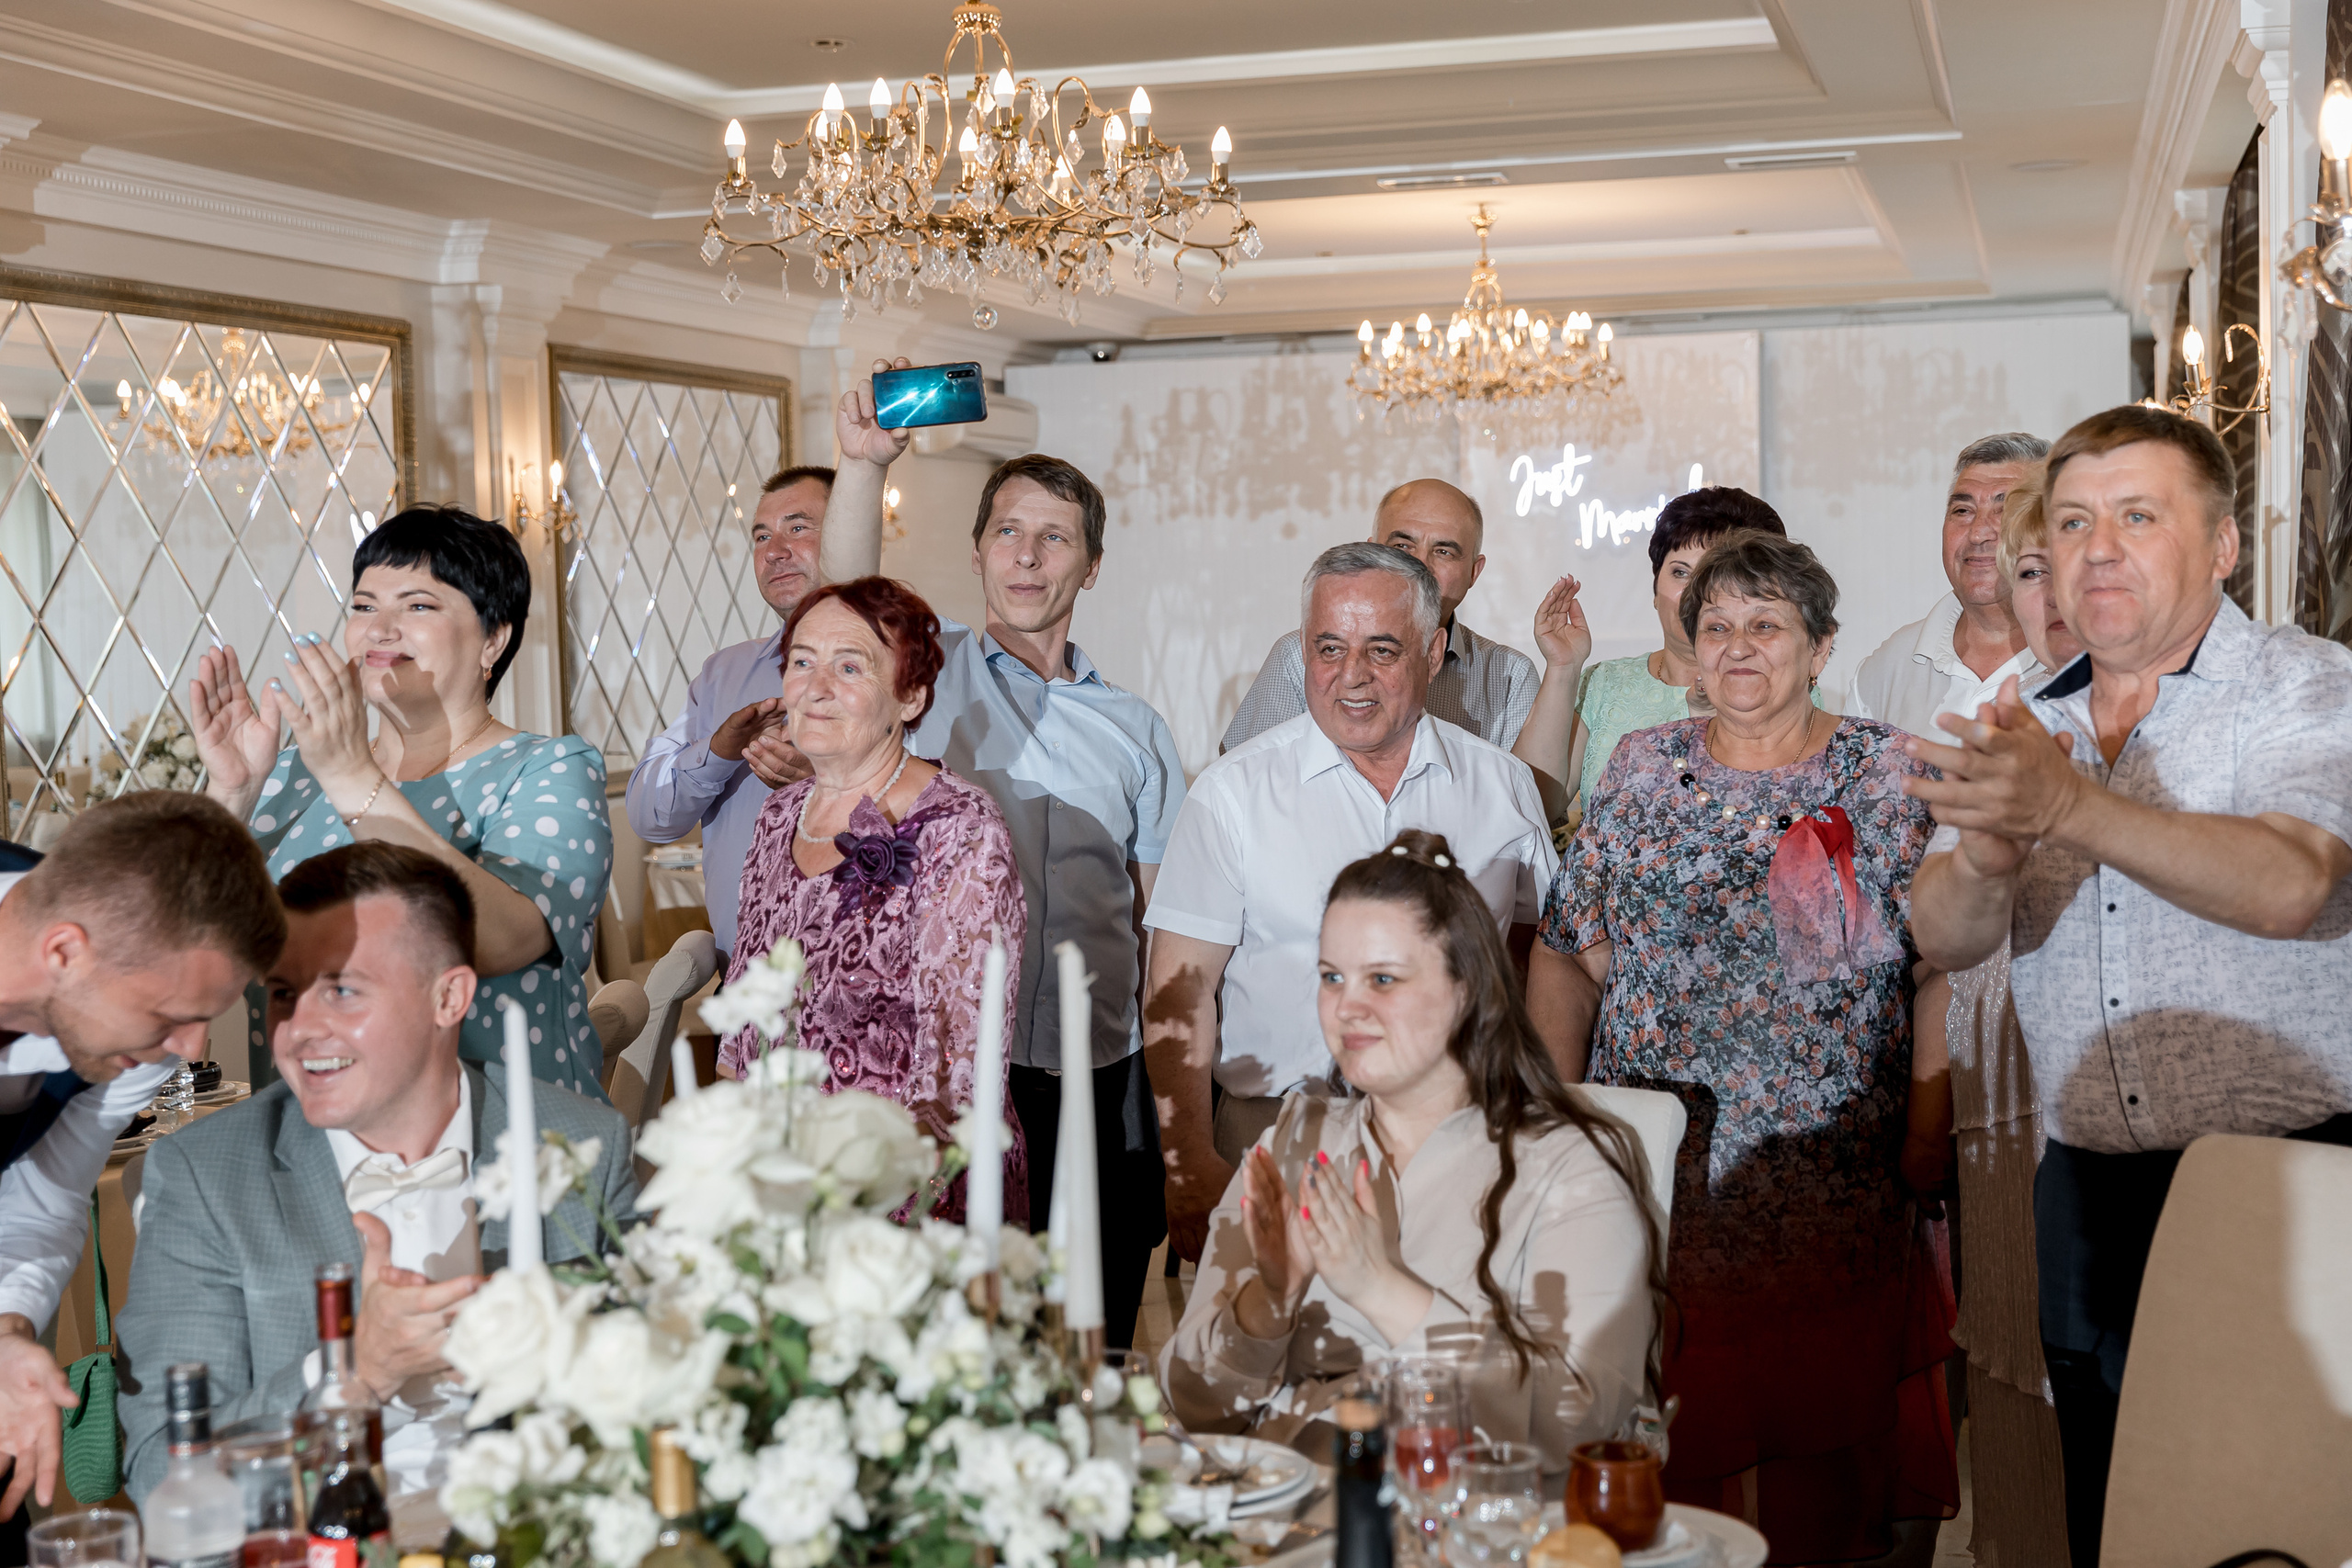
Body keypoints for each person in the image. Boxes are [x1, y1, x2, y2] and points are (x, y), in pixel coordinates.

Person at [1904, 405, 2352, 1568]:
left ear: (2220, 546)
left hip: (2287, 1185)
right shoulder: (2033, 722)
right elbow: (1942, 935)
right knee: (2117, 1521)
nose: (2096, 549)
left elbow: (2292, 884)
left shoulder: (2301, 687)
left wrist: (2067, 809)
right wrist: (1992, 856)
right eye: (2074, 522)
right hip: (2088, 1190)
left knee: (2282, 1526)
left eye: (2137, 518)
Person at [1529, 531, 1957, 1562]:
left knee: (1826, 1473)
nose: (1736, 647)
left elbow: (1941, 966)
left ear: (1819, 647)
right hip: (1660, 1175)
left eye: (1766, 624)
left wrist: (1925, 1131)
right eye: (1713, 626)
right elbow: (1563, 949)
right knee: (1672, 1446)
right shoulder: (1640, 765)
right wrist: (1552, 1117)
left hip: (1830, 1178)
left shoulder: (1891, 772)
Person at [822, 389, 1182, 1348]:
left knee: (1102, 1315)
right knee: (977, 1327)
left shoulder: (1138, 729)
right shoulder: (926, 684)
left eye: (1055, 538)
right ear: (978, 550)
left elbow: (1163, 921)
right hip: (953, 1058)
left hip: (1100, 1059)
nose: (1027, 556)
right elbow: (846, 604)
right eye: (1009, 533)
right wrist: (863, 467)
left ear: (1092, 565)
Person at [117, 841, 634, 1506]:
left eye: (341, 989)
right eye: (282, 992)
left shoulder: (582, 1144)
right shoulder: (207, 1177)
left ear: (450, 996)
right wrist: (353, 1375)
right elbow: (163, 1477)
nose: (298, 1030)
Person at [1159, 830, 1660, 1479]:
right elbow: (1187, 1405)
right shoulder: (1293, 1142)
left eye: (1383, 979)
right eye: (1331, 977)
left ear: (1467, 989)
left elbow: (1575, 1427)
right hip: (1284, 1524)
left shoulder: (1569, 1166)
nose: (1347, 1007)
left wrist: (1381, 1287)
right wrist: (1268, 1304)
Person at [1146, 543, 1559, 1262]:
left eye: (1383, 649)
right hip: (1279, 1134)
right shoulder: (1233, 794)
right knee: (1274, 1366)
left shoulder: (1502, 788)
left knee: (1452, 1361)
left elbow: (1539, 961)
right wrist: (1186, 1160)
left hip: (1460, 1138)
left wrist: (1539, 1121)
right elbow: (1179, 991)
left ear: (1433, 652)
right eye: (1329, 648)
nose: (1352, 676)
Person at [188, 505, 615, 1100]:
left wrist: (350, 775)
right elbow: (183, 944)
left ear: (494, 638)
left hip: (499, 1141)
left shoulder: (548, 769)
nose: (378, 628)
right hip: (311, 1134)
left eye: (417, 605)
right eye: (363, 606)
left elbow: (502, 940)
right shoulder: (289, 775)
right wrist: (231, 792)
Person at [0, 795, 281, 1533]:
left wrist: (6, 1331)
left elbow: (43, 1196)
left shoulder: (126, 1029)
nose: (191, 1048)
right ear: (63, 951)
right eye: (170, 1016)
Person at [719, 577, 1027, 1225]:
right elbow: (744, 1025)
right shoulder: (779, 815)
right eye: (801, 661)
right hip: (770, 1190)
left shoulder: (957, 828)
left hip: (903, 1194)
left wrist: (844, 1193)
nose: (816, 685)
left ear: (909, 696)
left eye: (850, 666)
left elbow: (956, 1073)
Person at [1917, 469, 2076, 1568]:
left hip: (2143, 1085)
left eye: (2063, 564)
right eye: (2028, 571)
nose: (2052, 591)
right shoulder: (1991, 720)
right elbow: (1936, 929)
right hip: (2005, 1077)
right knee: (2017, 1351)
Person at [1219, 481, 1589, 818]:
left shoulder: (1507, 673)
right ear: (1369, 551)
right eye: (1401, 547)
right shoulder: (1297, 655)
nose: (1419, 565)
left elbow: (1528, 811)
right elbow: (1242, 784)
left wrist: (1563, 667)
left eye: (1443, 551)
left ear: (1474, 572)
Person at [626, 466, 832, 958]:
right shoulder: (723, 674)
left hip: (866, 988)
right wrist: (717, 752)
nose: (775, 551)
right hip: (742, 983)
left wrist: (829, 781)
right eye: (762, 535)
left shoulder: (917, 664)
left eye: (797, 528)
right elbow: (649, 816)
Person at [1562, 486, 1788, 821]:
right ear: (1655, 589)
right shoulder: (1603, 682)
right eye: (1680, 573)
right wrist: (1560, 666)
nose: (1696, 593)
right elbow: (1540, 805)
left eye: (1715, 574)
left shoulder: (1783, 686)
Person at [1850, 434, 2051, 739]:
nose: (1979, 533)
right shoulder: (1892, 665)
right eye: (1963, 511)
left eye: (2006, 511)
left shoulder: (2087, 658)